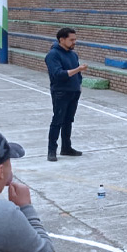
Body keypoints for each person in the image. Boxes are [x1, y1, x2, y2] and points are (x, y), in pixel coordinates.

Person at [45, 27, 87, 162]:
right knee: (57, 121)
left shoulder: (73, 54)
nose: (74, 42)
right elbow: (58, 74)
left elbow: (78, 75)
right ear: (61, 40)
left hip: (74, 92)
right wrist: (78, 69)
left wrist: (78, 86)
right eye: (71, 40)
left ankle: (66, 147)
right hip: (61, 92)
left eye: (75, 39)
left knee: (68, 121)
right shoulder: (53, 55)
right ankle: (52, 150)